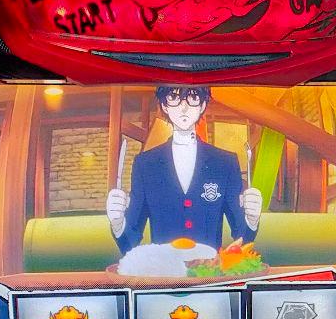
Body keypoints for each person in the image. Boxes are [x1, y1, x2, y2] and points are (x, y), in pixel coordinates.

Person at [106, 86, 262, 253]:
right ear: (164, 105)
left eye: (193, 98)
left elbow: (242, 237)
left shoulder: (225, 163)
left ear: (202, 105)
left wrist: (252, 219)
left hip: (209, 268)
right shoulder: (145, 164)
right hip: (164, 268)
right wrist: (118, 223)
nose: (184, 107)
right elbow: (130, 242)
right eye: (174, 98)